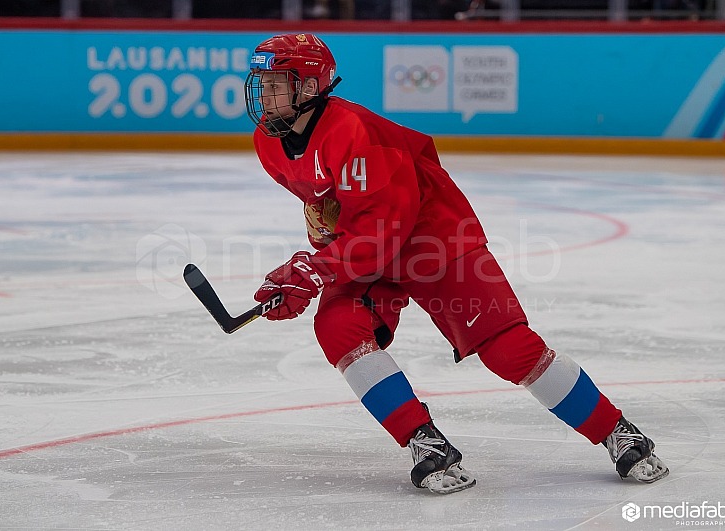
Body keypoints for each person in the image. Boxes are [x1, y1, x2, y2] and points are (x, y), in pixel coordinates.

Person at [244, 33, 669, 494]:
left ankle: (617, 431)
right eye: (261, 83)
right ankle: (425, 443)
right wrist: (306, 273)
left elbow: (386, 226)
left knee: (509, 349)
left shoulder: (354, 131)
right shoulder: (269, 143)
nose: (263, 94)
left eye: (274, 83)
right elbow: (332, 210)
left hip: (435, 239)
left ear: (308, 87)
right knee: (338, 326)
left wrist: (318, 268)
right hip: (372, 247)